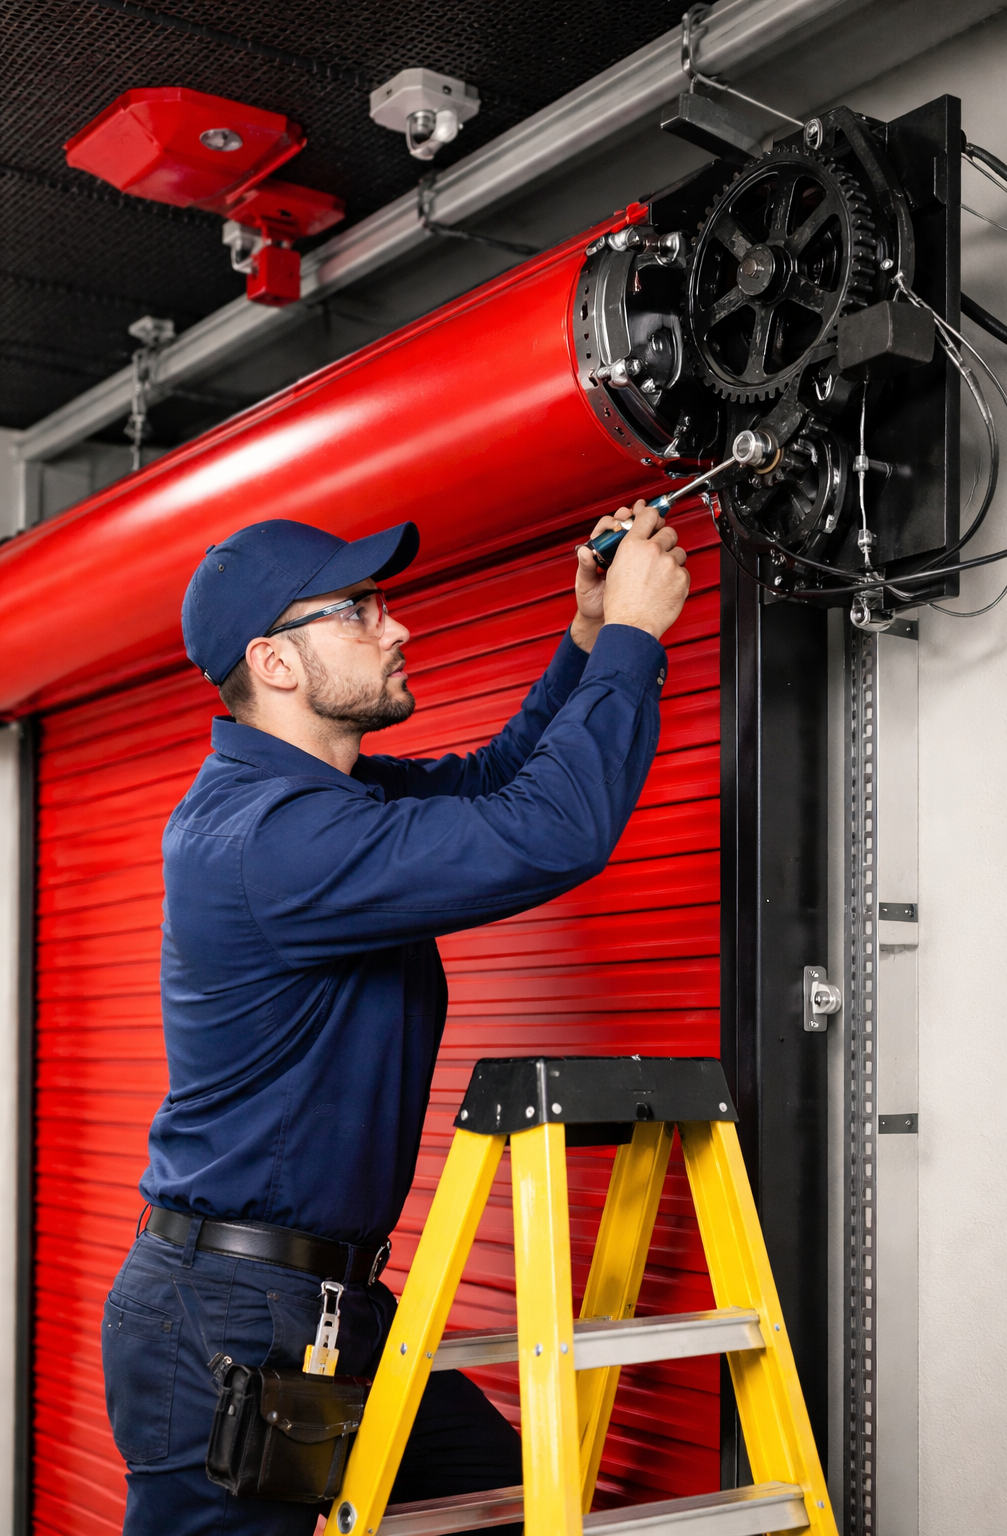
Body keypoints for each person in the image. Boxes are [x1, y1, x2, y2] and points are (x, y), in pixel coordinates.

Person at [101, 502, 690, 1536]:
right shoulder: (270, 839)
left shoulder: (327, 801)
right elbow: (548, 832)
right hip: (229, 1324)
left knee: (513, 1506)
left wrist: (589, 638)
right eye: (360, 610)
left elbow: (496, 785)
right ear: (275, 664)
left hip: (330, 1309)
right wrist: (638, 640)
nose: (398, 625)